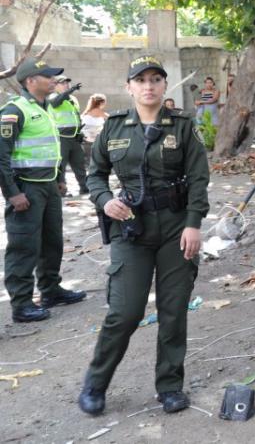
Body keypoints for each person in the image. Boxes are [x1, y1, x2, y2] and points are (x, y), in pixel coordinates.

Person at [78, 55, 209, 417]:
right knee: (125, 311)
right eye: (141, 80)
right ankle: (95, 383)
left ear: (164, 86)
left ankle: (169, 386)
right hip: (131, 228)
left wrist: (194, 223)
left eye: (155, 79)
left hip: (175, 227)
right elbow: (95, 175)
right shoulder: (114, 128)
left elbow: (199, 178)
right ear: (129, 87)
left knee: (173, 311)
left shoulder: (182, 126)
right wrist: (105, 201)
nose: (148, 86)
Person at [1, 58, 86, 323]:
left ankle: (50, 290)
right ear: (30, 81)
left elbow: (52, 149)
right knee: (24, 246)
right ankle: (22, 304)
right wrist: (12, 193)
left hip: (48, 186)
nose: (53, 80)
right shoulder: (14, 111)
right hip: (26, 188)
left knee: (52, 242)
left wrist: (60, 179)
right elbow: (1, 157)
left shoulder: (45, 108)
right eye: (47, 76)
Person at [49, 76, 87, 195]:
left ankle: (84, 187)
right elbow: (55, 103)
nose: (66, 84)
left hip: (74, 137)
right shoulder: (52, 96)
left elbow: (76, 116)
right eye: (63, 83)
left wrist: (80, 131)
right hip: (61, 138)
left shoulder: (73, 99)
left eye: (67, 83)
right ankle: (61, 191)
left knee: (79, 164)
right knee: (61, 166)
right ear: (55, 85)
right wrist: (69, 91)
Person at [80, 94, 109, 167]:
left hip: (87, 139)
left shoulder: (87, 111)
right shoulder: (97, 111)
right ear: (101, 103)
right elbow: (110, 118)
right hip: (92, 140)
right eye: (104, 103)